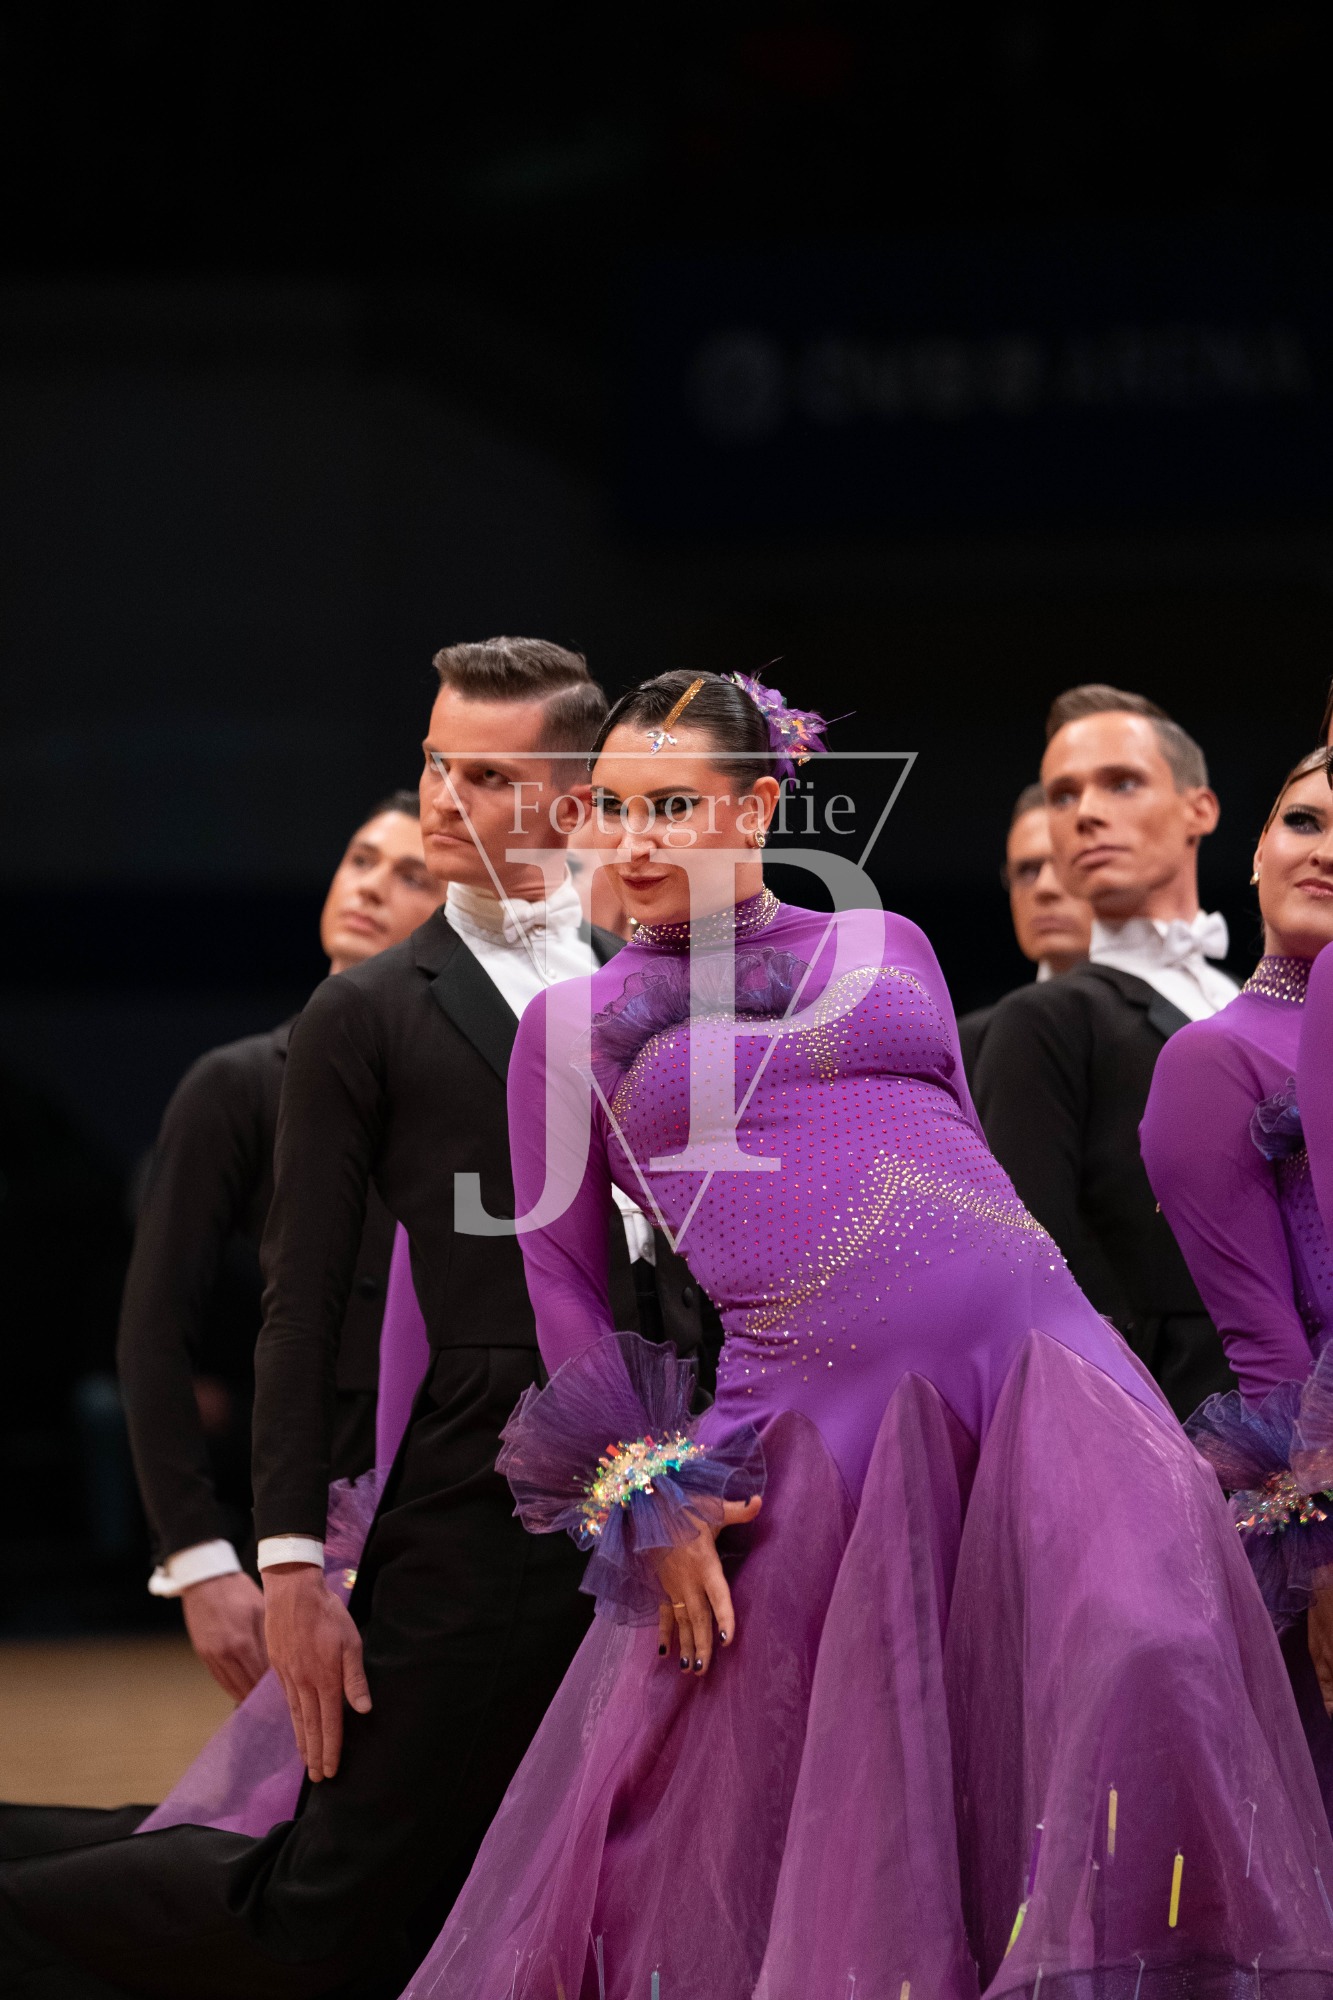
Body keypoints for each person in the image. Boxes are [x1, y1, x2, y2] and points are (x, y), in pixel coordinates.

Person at [399, 668, 1333, 1998]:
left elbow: (968, 1156)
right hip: (815, 1432)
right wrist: (643, 1491)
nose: (635, 839)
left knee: (1152, 1649)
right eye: (611, 807)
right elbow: (560, 1285)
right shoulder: (566, 1029)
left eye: (672, 805)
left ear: (757, 807)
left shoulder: (887, 941)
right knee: (802, 1804)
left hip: (1047, 1375)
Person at [0, 639, 708, 1999]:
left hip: (655, 1473)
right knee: (330, 1901)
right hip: (471, 1485)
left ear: (572, 803)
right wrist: (282, 1567)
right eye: (436, 763)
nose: (441, 798)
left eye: (485, 775)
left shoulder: (641, 984)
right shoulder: (366, 1010)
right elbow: (300, 1300)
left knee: (546, 1870)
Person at [117, 794, 440, 1702]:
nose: (369, 887)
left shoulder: (474, 1088)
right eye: (361, 860)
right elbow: (152, 1334)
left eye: (411, 876)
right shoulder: (238, 1085)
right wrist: (197, 1556)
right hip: (311, 1498)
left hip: (452, 1489)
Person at [1141, 746, 1333, 1816]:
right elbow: (1264, 1345)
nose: (1325, 851)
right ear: (1253, 852)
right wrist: (1323, 1550)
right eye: (1303, 821)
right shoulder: (1210, 1059)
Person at [973, 684, 1237, 1419]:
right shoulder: (1042, 1020)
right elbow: (1029, 1272)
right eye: (1064, 795)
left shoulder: (1255, 999)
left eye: (1121, 783)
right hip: (1158, 1414)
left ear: (1199, 808)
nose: (1086, 812)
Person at [956, 780, 1090, 1081]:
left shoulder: (1188, 1009)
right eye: (1027, 870)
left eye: (1067, 864)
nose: (1044, 888)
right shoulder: (964, 1053)